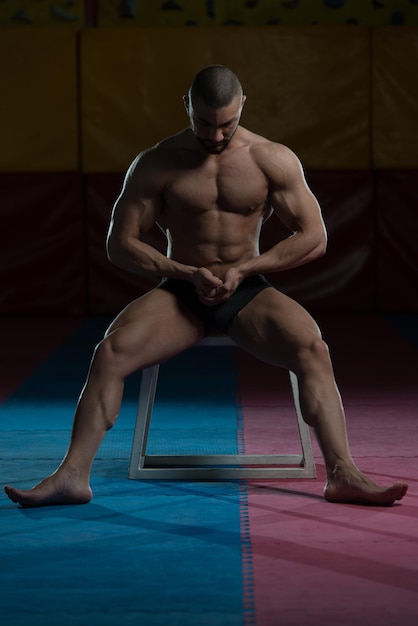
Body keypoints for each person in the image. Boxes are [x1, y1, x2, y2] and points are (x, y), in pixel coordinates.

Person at [5, 65, 407, 508]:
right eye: (204, 123)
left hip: (248, 291)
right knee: (110, 352)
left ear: (242, 107)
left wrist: (245, 268)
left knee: (313, 349)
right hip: (181, 294)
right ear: (187, 107)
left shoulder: (271, 158)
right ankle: (72, 476)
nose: (215, 136)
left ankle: (342, 473)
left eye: (226, 124)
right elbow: (119, 245)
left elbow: (315, 236)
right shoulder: (156, 161)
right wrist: (183, 272)